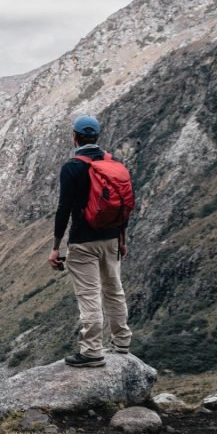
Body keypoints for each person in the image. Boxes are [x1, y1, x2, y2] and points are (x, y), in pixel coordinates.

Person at [48, 115, 132, 367]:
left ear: (74, 136)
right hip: (111, 238)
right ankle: (122, 342)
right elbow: (124, 205)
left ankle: (92, 351)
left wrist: (55, 247)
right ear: (96, 136)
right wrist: (121, 239)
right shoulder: (113, 164)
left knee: (89, 295)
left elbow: (63, 209)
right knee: (114, 291)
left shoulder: (72, 167)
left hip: (83, 242)